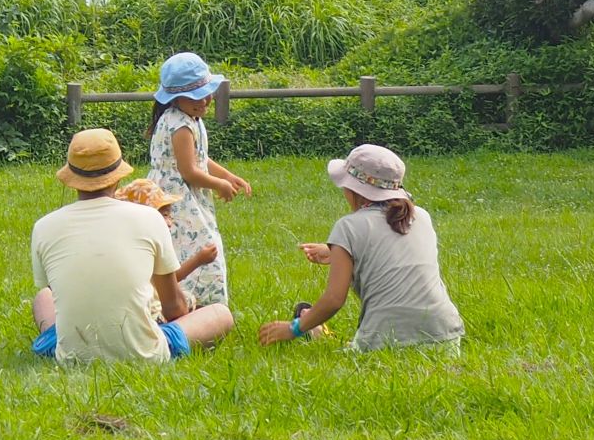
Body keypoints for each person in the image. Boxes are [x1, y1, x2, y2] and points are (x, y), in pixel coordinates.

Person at [31, 127, 235, 364]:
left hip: (71, 356)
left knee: (43, 297)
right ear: (118, 176)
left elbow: (60, 294)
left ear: (71, 179)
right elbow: (174, 309)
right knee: (221, 314)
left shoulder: (43, 227)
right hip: (146, 352)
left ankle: (58, 345)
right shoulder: (150, 218)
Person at [257, 143, 464, 352]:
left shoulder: (348, 227)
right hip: (446, 340)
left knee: (346, 352)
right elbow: (392, 250)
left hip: (384, 343)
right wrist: (336, 252)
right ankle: (320, 331)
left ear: (354, 189)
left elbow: (334, 299)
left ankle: (316, 330)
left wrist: (294, 328)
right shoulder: (422, 216)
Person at [145, 51, 251, 310]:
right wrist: (219, 184)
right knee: (196, 246)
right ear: (175, 98)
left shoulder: (191, 118)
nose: (204, 100)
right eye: (195, 96)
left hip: (185, 196)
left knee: (192, 245)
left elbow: (200, 158)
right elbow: (189, 171)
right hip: (176, 200)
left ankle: (188, 301)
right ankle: (198, 304)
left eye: (207, 93)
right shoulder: (179, 126)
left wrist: (227, 175)